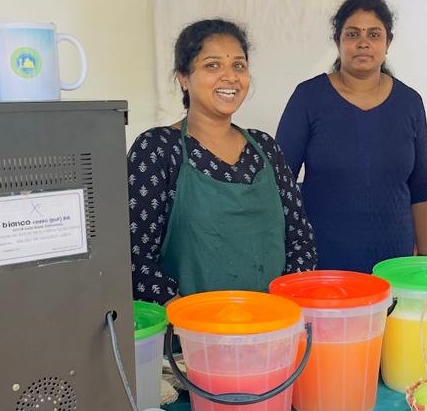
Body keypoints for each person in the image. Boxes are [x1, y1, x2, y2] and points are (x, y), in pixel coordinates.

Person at [128, 19, 317, 304]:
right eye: (212, 65)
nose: (230, 76)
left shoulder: (265, 149)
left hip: (271, 323)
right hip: (188, 328)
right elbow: (135, 256)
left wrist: (283, 307)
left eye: (238, 65)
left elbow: (301, 239)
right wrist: (187, 317)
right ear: (183, 77)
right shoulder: (158, 149)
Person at [276, 0, 427, 273]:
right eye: (352, 34)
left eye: (374, 34)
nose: (363, 43)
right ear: (337, 41)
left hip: (394, 265)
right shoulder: (309, 97)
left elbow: (420, 189)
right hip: (322, 263)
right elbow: (279, 184)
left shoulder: (409, 102)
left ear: (388, 43)